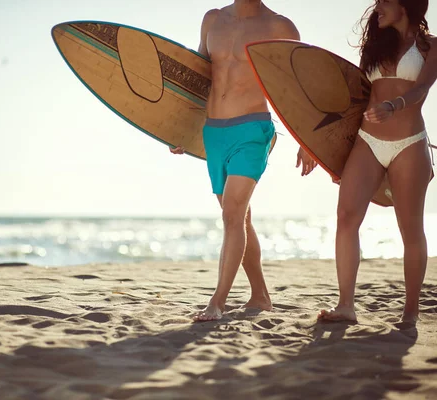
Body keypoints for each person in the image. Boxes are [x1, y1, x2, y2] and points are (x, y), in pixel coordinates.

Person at [171, 0, 317, 322]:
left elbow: (300, 85)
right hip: (214, 132)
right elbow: (199, 78)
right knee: (239, 218)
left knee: (232, 214)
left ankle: (217, 301)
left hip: (253, 128)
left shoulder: (280, 27)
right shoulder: (213, 20)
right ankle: (260, 295)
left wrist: (309, 140)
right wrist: (179, 128)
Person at [318, 0, 436, 324]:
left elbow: (422, 88)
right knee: (346, 216)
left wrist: (394, 105)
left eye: (385, 0)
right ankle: (346, 305)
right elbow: (353, 98)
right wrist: (315, 142)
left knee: (410, 229)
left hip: (409, 144)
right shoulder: (375, 46)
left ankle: (410, 312)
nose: (377, 6)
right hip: (367, 141)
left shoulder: (431, 46)